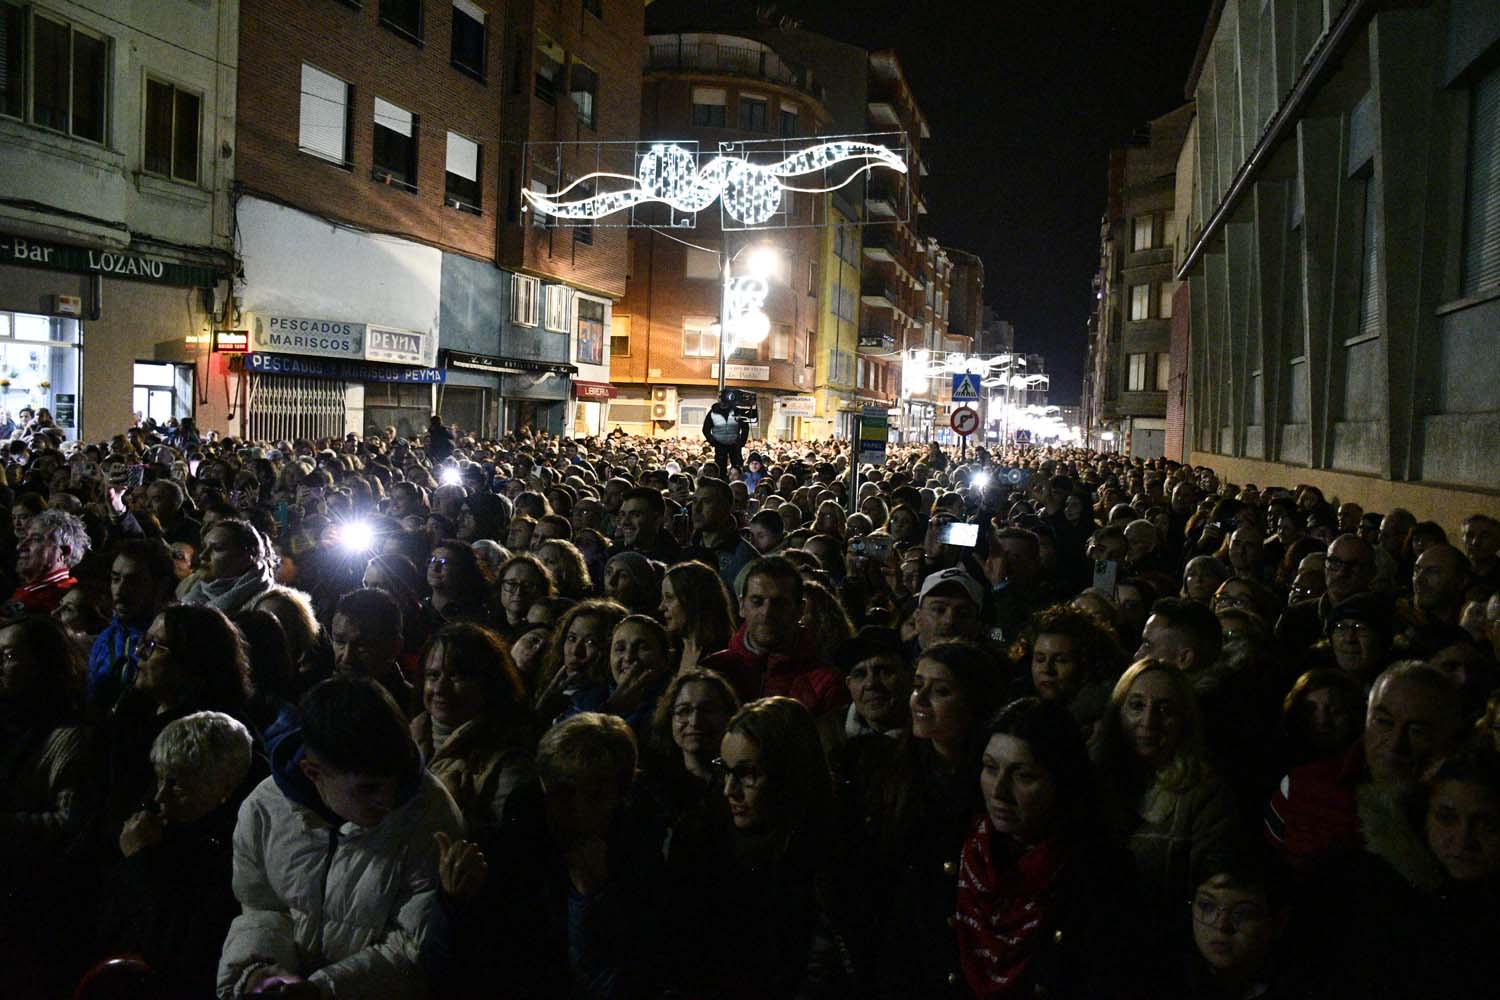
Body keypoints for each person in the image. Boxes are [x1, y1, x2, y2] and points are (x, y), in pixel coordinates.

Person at [217, 676, 463, 997]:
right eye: (369, 788)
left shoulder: (429, 816)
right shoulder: (265, 809)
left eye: (395, 779)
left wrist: (323, 990)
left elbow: (411, 943)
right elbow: (262, 907)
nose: (388, 800)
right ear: (313, 772)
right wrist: (257, 973)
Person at [431, 712, 664, 997]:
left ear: (621, 794)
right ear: (543, 788)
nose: (578, 809)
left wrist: (591, 900)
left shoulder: (638, 858)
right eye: (563, 793)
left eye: (595, 796)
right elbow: (450, 969)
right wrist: (454, 903)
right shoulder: (506, 850)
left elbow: (623, 983)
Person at [842, 639, 1006, 997]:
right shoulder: (886, 774)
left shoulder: (994, 785)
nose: (920, 699)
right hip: (905, 964)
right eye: (918, 686)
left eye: (941, 690)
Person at [956, 698, 1142, 998]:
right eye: (990, 768)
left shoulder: (1099, 875)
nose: (999, 791)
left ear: (1061, 781)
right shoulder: (953, 850)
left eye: (1023, 775)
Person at [96, 712, 253, 999]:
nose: (160, 797)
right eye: (159, 780)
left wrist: (141, 862)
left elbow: (178, 949)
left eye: (178, 785)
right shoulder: (162, 824)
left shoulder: (236, 852)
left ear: (225, 788)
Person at [1332, 748, 1500, 998]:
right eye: (1446, 818)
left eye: (1487, 825)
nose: (1464, 840)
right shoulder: (1380, 888)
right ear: (1423, 817)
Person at [1267, 661, 1465, 872]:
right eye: (1384, 722)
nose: (1396, 743)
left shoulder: (1466, 807)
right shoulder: (1301, 789)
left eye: (1417, 731)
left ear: (1449, 739)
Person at [1093, 659, 1237, 941]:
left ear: (1185, 719)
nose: (1149, 721)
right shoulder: (1091, 778)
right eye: (1136, 706)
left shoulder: (1204, 795)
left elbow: (1212, 887)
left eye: (1165, 709)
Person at [410, 622, 535, 831]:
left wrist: (460, 815)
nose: (440, 688)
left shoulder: (507, 766)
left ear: (489, 683)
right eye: (433, 675)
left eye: (456, 676)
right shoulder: (403, 742)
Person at [703, 555, 845, 714]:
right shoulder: (715, 671)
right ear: (742, 606)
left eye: (780, 603)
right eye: (757, 601)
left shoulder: (824, 683)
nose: (767, 612)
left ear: (800, 610)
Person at [87, 538, 177, 712]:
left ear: (161, 585)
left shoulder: (173, 642)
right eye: (115, 579)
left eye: (133, 581)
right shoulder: (106, 639)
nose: (120, 590)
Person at [329, 587, 415, 716]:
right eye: (340, 642)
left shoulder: (415, 708)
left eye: (362, 645)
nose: (347, 657)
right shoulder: (322, 700)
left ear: (395, 646)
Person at [181, 518, 276, 615]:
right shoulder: (190, 593)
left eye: (218, 548)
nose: (203, 556)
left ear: (246, 557)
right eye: (204, 547)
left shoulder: (267, 606)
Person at [6, 508, 86, 617]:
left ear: (64, 552)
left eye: (36, 539)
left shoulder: (62, 601)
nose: (20, 546)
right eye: (24, 538)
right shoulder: (34, 589)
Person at [684, 476, 757, 592]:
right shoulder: (688, 549)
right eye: (695, 501)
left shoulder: (745, 559)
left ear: (725, 507)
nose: (696, 509)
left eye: (706, 502)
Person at [660, 560, 736, 671]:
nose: (661, 607)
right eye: (663, 598)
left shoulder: (721, 660)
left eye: (670, 598)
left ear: (694, 602)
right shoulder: (670, 653)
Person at [617, 487, 684, 565]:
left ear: (657, 518)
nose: (625, 522)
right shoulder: (613, 552)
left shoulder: (677, 561)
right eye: (623, 514)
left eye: (635, 515)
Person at [702, 390, 749, 473]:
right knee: (720, 468)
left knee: (737, 465)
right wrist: (714, 442)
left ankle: (738, 482)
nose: (721, 399)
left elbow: (745, 427)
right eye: (719, 397)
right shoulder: (712, 412)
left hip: (734, 444)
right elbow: (706, 429)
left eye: (723, 396)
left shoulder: (737, 411)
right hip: (720, 444)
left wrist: (741, 442)